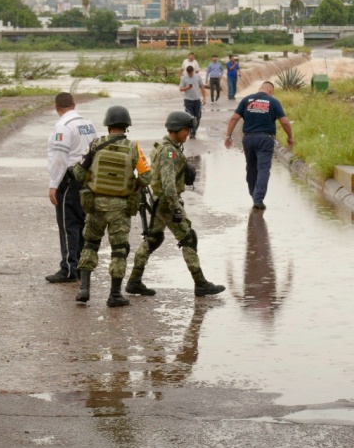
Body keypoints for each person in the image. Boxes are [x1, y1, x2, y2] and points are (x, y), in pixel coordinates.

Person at [127, 111, 225, 297]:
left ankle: (134, 281)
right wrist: (175, 207)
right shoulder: (169, 152)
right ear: (177, 129)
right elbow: (168, 184)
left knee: (153, 239)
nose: (188, 133)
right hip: (166, 202)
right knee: (188, 237)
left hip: (159, 201)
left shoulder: (166, 146)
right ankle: (200, 283)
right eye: (186, 130)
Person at [71, 105, 152, 307]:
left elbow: (79, 173)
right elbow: (147, 177)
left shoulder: (96, 144)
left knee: (90, 245)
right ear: (126, 126)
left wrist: (94, 180)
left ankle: (84, 289)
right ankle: (114, 295)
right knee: (118, 250)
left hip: (95, 205)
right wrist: (132, 187)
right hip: (121, 208)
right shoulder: (134, 148)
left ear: (108, 126)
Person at [47, 92, 98, 283]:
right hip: (87, 179)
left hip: (69, 180)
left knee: (69, 225)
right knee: (83, 222)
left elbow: (59, 158)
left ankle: (69, 268)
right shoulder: (88, 124)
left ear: (56, 107)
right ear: (74, 105)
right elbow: (96, 150)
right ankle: (83, 265)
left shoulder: (63, 127)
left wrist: (53, 184)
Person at [224, 81, 294, 210]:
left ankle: (254, 195)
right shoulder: (273, 102)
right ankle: (258, 198)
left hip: (248, 138)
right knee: (263, 168)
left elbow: (234, 118)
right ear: (271, 91)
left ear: (259, 89)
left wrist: (228, 136)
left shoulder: (246, 100)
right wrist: (290, 137)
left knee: (251, 168)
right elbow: (284, 122)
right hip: (265, 139)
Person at [179, 65, 206, 139]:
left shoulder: (197, 77)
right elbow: (181, 89)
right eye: (188, 73)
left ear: (193, 71)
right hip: (188, 100)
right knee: (189, 117)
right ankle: (191, 131)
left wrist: (204, 98)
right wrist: (187, 88)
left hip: (197, 100)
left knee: (198, 116)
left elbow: (202, 87)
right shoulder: (184, 78)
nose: (190, 74)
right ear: (187, 72)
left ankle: (194, 130)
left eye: (191, 73)